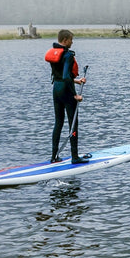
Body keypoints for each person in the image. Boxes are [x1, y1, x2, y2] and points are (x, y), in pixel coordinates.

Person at [45, 29, 87, 163]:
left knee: (58, 123)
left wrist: (77, 80)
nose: (72, 42)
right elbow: (66, 76)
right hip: (67, 91)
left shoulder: (55, 53)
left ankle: (54, 157)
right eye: (71, 40)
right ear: (65, 40)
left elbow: (60, 76)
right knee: (73, 124)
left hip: (56, 90)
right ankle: (75, 157)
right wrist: (75, 95)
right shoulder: (68, 55)